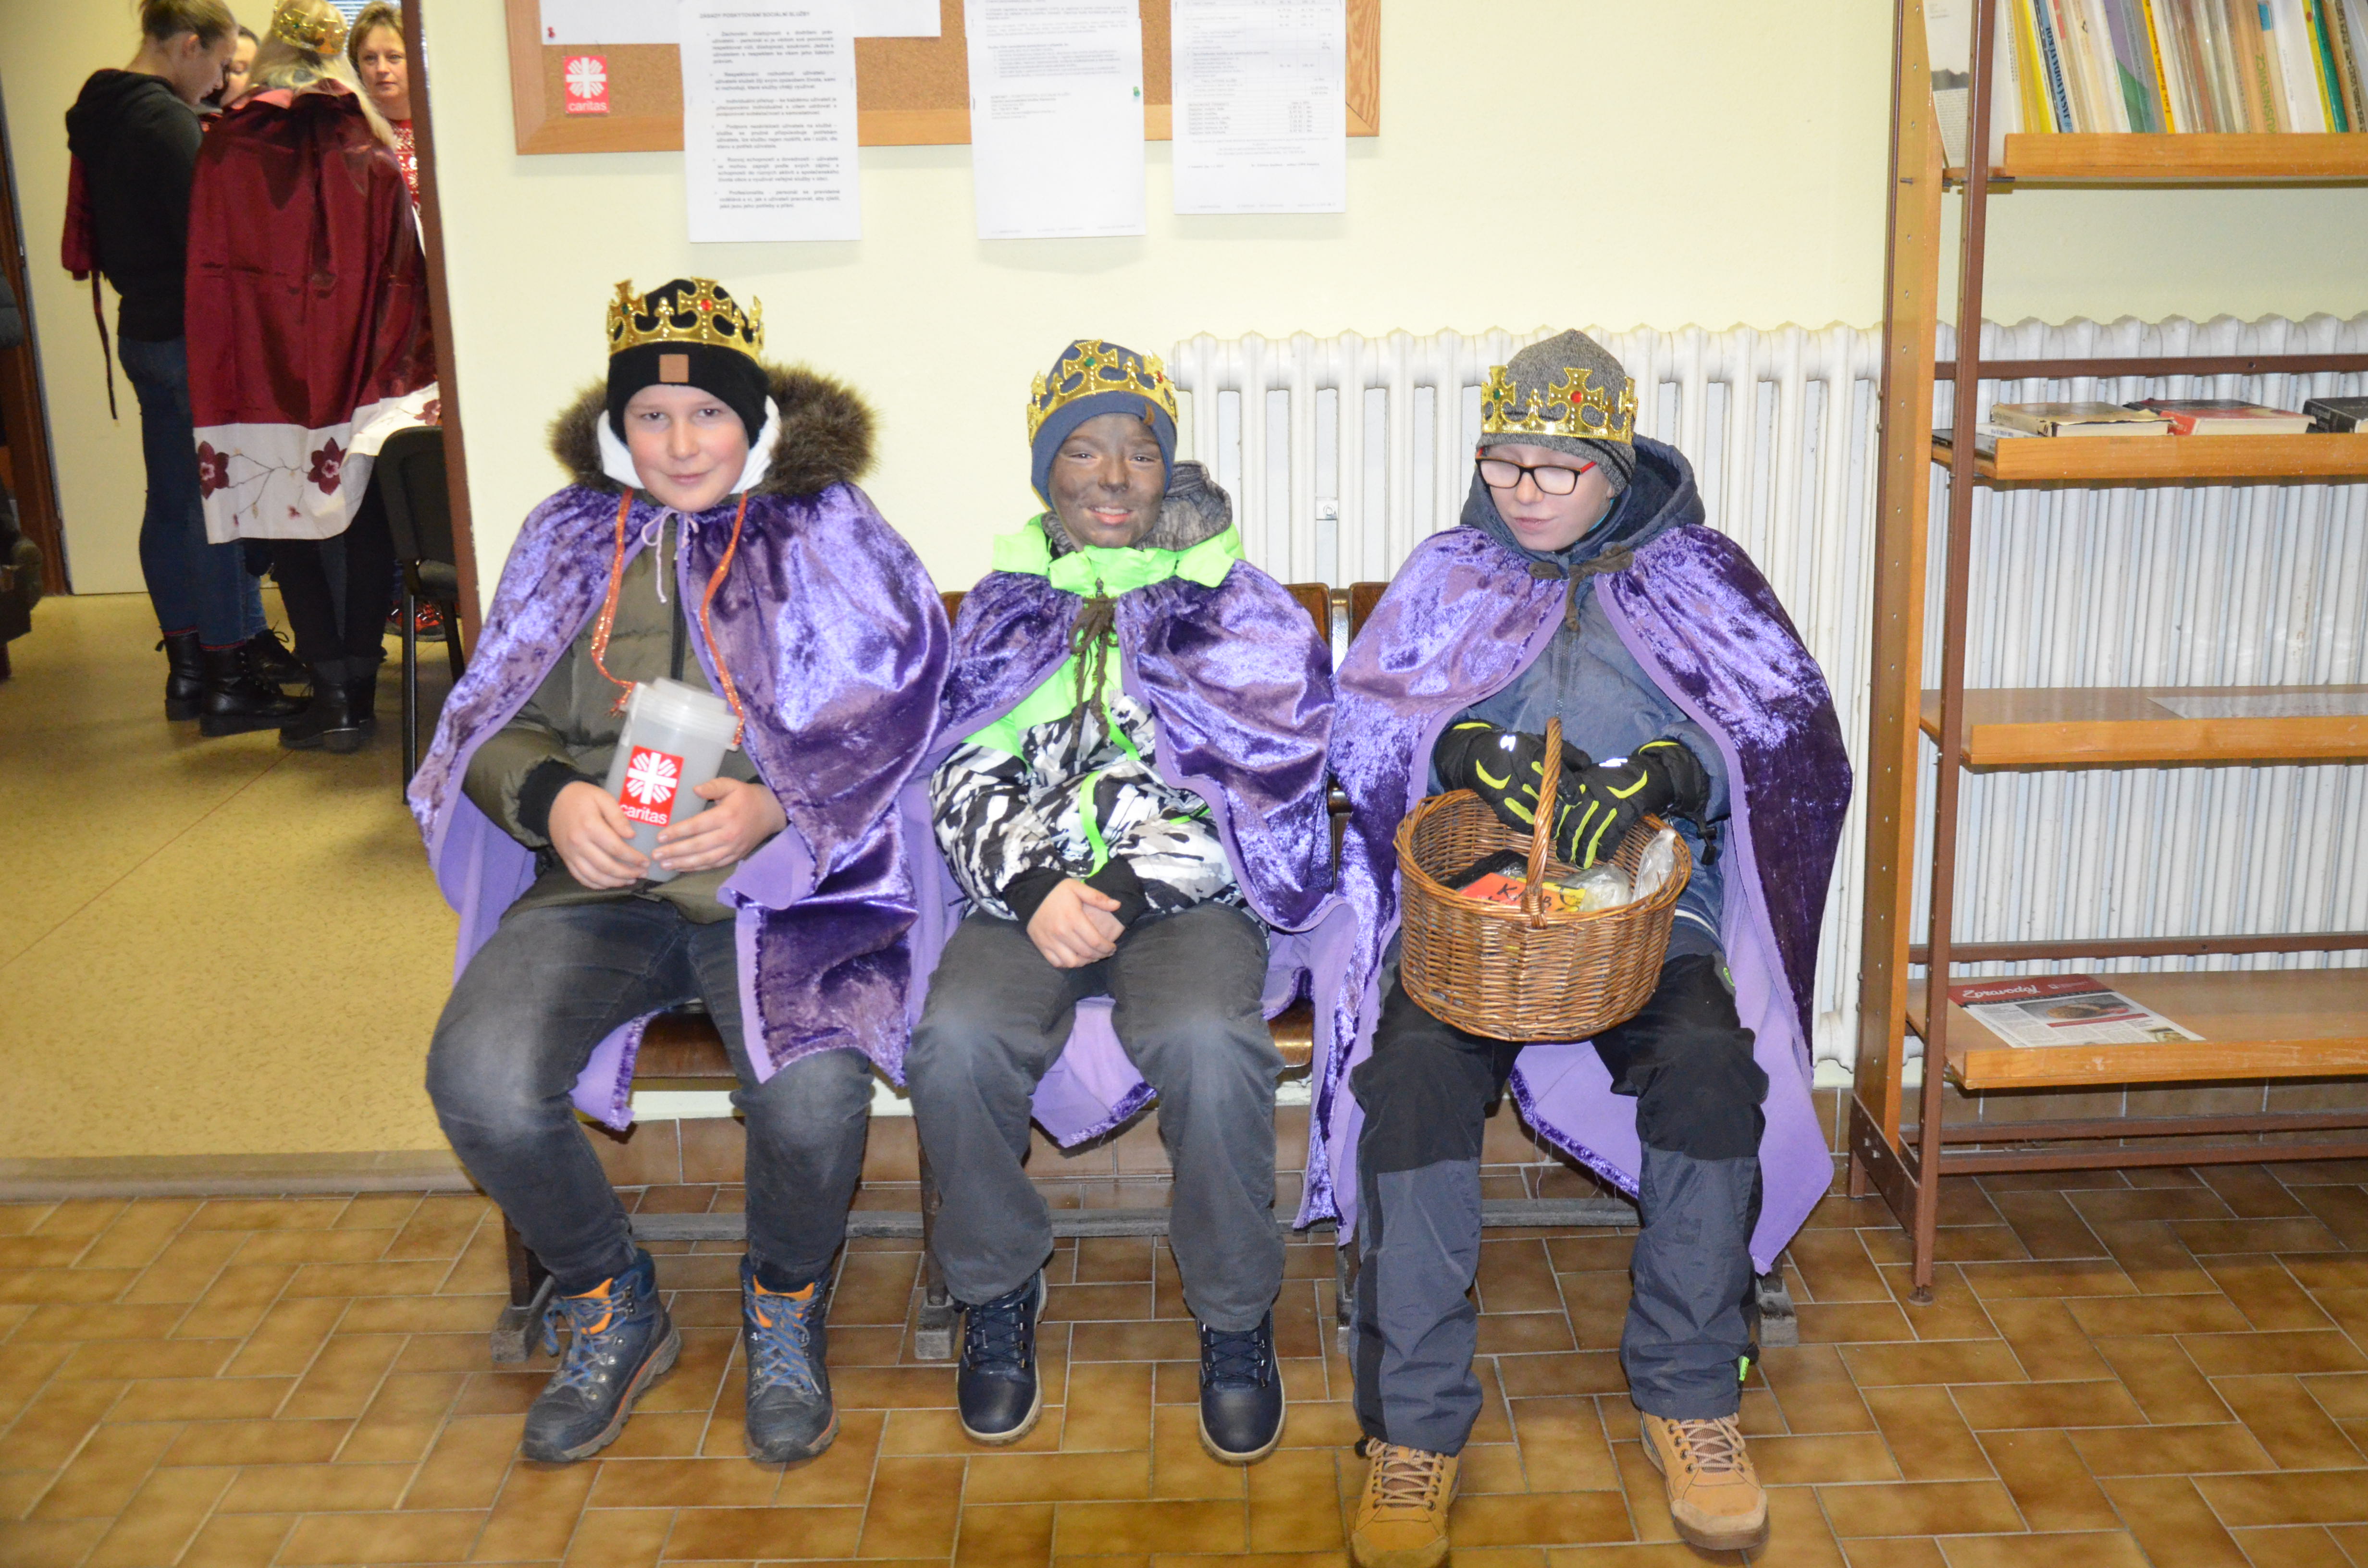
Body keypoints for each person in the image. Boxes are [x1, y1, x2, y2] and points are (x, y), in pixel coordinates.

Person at [1320, 332, 1851, 1565]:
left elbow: (1784, 731)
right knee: (1410, 1081)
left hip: (1648, 912)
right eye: (1501, 461)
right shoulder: (1450, 574)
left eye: (1554, 468)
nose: (1522, 490)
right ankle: (1414, 1430)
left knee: (1710, 1072)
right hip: (1476, 918)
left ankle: (1691, 1397)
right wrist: (1459, 749)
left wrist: (1675, 769)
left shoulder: (1700, 576)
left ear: (1614, 465)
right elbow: (1363, 728)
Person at [409, 277, 948, 1465]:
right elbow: (489, 721)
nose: (682, 442)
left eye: (708, 413)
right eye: (651, 417)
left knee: (813, 1097)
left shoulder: (828, 533)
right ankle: (611, 1295)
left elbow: (904, 713)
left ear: (754, 421)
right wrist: (555, 802)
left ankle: (785, 1299)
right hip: (596, 891)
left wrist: (774, 805)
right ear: (619, 427)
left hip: (780, 893)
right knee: (478, 1079)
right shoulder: (568, 537)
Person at [902, 341, 1338, 1464]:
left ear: (1166, 467)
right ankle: (998, 1287)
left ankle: (1233, 1315)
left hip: (1182, 898)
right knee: (954, 1042)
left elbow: (1271, 778)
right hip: (1025, 900)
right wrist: (1033, 884)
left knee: (1210, 1044)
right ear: (1045, 470)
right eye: (1082, 451)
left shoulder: (1234, 606)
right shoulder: (1003, 610)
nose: (1110, 475)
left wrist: (1130, 882)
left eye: (1138, 452)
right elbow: (957, 770)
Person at [185, 0, 437, 752]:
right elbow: (403, 276)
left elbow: (212, 272)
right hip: (365, 364)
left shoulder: (227, 148)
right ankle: (358, 687)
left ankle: (329, 696)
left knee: (285, 518)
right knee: (367, 523)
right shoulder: (374, 149)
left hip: (262, 372)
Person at [64, 0, 301, 733]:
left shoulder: (101, 110)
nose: (220, 81)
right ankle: (231, 681)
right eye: (220, 63)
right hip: (194, 337)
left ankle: (190, 671)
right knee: (215, 507)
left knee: (170, 504)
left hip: (142, 330)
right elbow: (218, 238)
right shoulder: (167, 123)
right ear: (188, 46)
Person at [345, 3, 417, 204]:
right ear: (357, 67)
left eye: (394, 57)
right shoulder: (347, 134)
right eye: (370, 58)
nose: (382, 69)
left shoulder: (440, 128)